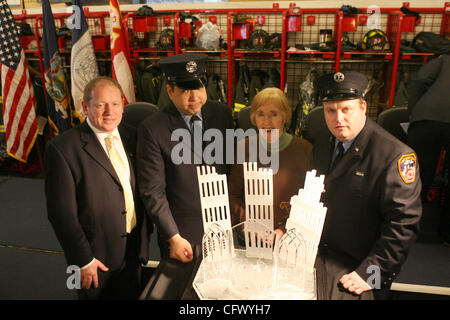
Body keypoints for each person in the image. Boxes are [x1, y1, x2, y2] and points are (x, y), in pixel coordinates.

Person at [312, 70, 422, 300]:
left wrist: (371, 275)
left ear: (362, 107)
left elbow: (403, 224)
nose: (338, 118)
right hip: (320, 257)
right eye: (331, 111)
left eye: (346, 109)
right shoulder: (324, 141)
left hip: (359, 267)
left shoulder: (394, 156)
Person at [45, 76, 150, 299]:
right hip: (94, 259)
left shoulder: (134, 136)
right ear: (85, 107)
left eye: (115, 104)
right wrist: (82, 259)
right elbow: (61, 214)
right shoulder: (62, 149)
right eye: (100, 105)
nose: (109, 112)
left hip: (134, 250)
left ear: (123, 105)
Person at [137, 53, 234, 263]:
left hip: (224, 223)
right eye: (186, 90)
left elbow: (230, 167)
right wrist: (173, 236)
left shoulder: (222, 114)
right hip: (183, 232)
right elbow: (152, 191)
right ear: (170, 91)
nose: (195, 97)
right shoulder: (153, 129)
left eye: (198, 87)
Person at [229, 87, 313, 241]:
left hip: (290, 239)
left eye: (274, 114)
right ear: (253, 117)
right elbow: (233, 195)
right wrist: (247, 225)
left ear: (285, 116)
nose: (267, 121)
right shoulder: (243, 147)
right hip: (249, 238)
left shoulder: (304, 150)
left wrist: (284, 229)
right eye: (260, 114)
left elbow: (308, 200)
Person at [407, 54, 450, 245]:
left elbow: (420, 80)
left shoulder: (445, 59)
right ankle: (447, 233)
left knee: (416, 175)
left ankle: (408, 229)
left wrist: (415, 110)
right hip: (429, 117)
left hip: (427, 118)